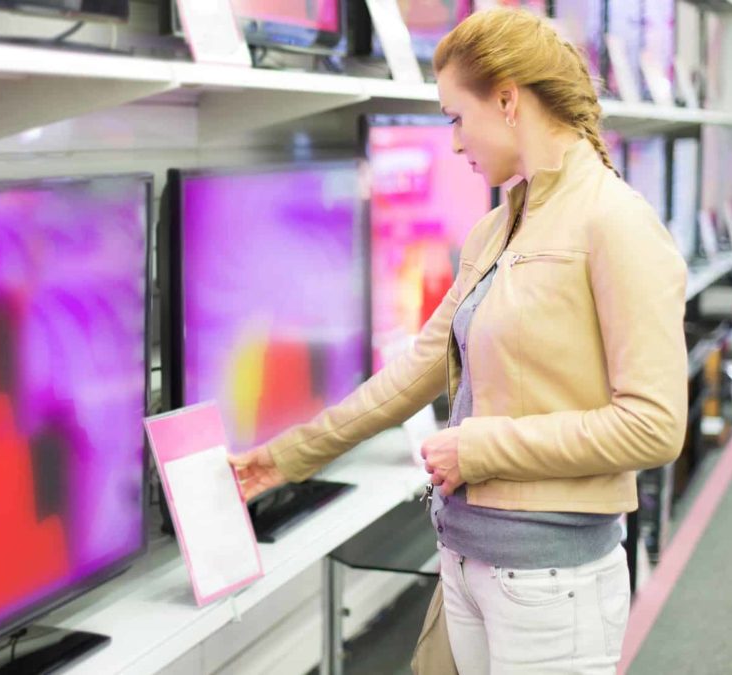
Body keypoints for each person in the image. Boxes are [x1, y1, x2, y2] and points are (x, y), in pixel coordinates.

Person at [230, 8, 687, 674]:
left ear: (506, 100)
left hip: (549, 586)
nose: (452, 143)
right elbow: (415, 368)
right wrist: (286, 457)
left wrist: (479, 445)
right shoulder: (497, 230)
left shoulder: (616, 222)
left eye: (454, 117)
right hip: (469, 564)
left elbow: (654, 426)